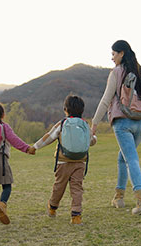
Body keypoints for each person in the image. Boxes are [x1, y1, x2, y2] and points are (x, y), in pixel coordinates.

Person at [91, 40, 141, 215]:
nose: (112, 57)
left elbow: (106, 100)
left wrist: (94, 123)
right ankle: (118, 198)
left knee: (131, 160)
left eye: (113, 54)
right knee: (123, 158)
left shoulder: (117, 72)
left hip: (123, 123)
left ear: (121, 53)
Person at [33, 95, 97, 225]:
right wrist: (94, 137)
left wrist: (35, 147)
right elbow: (92, 141)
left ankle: (52, 208)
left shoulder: (62, 123)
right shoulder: (85, 125)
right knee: (77, 189)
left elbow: (49, 137)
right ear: (82, 110)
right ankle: (76, 216)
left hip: (63, 161)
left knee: (59, 186)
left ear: (65, 109)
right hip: (80, 162)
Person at [0, 103, 36, 225]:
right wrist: (27, 149)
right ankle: (2, 204)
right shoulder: (4, 127)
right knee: (7, 185)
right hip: (1, 160)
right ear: (3, 115)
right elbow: (15, 140)